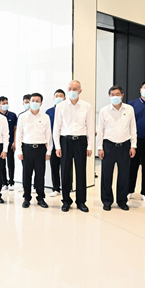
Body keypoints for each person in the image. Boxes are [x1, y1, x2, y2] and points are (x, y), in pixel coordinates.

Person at [53, 80, 95, 212]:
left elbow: (90, 127)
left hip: (81, 141)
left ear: (80, 91)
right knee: (65, 172)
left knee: (81, 172)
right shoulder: (60, 106)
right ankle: (66, 201)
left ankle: (81, 201)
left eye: (75, 89)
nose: (72, 91)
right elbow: (56, 128)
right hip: (65, 141)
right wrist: (57, 146)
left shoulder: (87, 106)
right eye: (69, 88)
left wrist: (90, 146)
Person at [97, 85, 136, 211]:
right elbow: (100, 130)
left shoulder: (129, 109)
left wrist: (133, 146)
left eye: (117, 94)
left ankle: (122, 201)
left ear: (122, 95)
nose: (115, 97)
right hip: (108, 145)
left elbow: (133, 128)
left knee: (124, 175)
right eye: (112, 94)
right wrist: (100, 147)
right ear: (109, 96)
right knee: (106, 175)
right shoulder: (104, 110)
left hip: (125, 145)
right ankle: (107, 201)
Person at [16, 92, 52, 208]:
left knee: (40, 175)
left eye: (37, 101)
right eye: (33, 101)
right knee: (27, 175)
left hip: (40, 149)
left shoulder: (45, 117)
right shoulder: (22, 117)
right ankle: (26, 198)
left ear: (41, 103)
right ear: (29, 102)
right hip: (27, 149)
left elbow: (48, 135)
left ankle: (41, 198)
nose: (35, 103)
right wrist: (19, 151)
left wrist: (49, 151)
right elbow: (19, 135)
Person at [46, 90, 67, 197]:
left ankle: (67, 188)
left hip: (65, 143)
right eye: (57, 96)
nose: (58, 98)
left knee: (66, 167)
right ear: (53, 98)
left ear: (65, 98)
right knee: (54, 167)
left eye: (61, 96)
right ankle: (56, 188)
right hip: (53, 144)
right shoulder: (49, 112)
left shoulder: (67, 109)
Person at [0, 96, 19, 190]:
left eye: (6, 103)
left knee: (11, 163)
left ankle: (11, 182)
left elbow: (15, 129)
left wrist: (14, 142)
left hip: (10, 143)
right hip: (0, 144)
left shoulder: (13, 115)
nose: (5, 105)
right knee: (1, 164)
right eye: (3, 103)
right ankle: (4, 183)